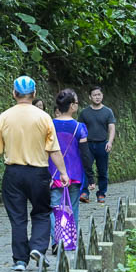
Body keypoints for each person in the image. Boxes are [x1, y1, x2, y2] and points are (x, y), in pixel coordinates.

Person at [0, 75, 69, 271]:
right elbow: (53, 150)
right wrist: (63, 173)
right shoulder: (44, 117)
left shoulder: (4, 117)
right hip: (38, 174)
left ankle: (20, 260)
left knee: (17, 216)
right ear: (34, 94)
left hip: (13, 173)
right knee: (41, 212)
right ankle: (38, 248)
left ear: (14, 93)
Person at [50, 88, 90, 224]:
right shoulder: (80, 127)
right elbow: (85, 154)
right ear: (72, 106)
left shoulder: (49, 125)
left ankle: (56, 241)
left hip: (53, 173)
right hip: (74, 174)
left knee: (54, 208)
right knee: (73, 209)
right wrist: (91, 177)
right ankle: (70, 242)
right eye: (77, 102)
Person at [78, 86, 116, 204]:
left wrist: (109, 142)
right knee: (85, 168)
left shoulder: (108, 111)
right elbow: (80, 129)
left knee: (102, 170)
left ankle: (101, 193)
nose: (97, 97)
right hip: (87, 144)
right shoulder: (84, 112)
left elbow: (112, 127)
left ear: (102, 96)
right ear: (90, 97)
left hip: (102, 144)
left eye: (99, 94)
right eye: (94, 95)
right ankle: (84, 193)